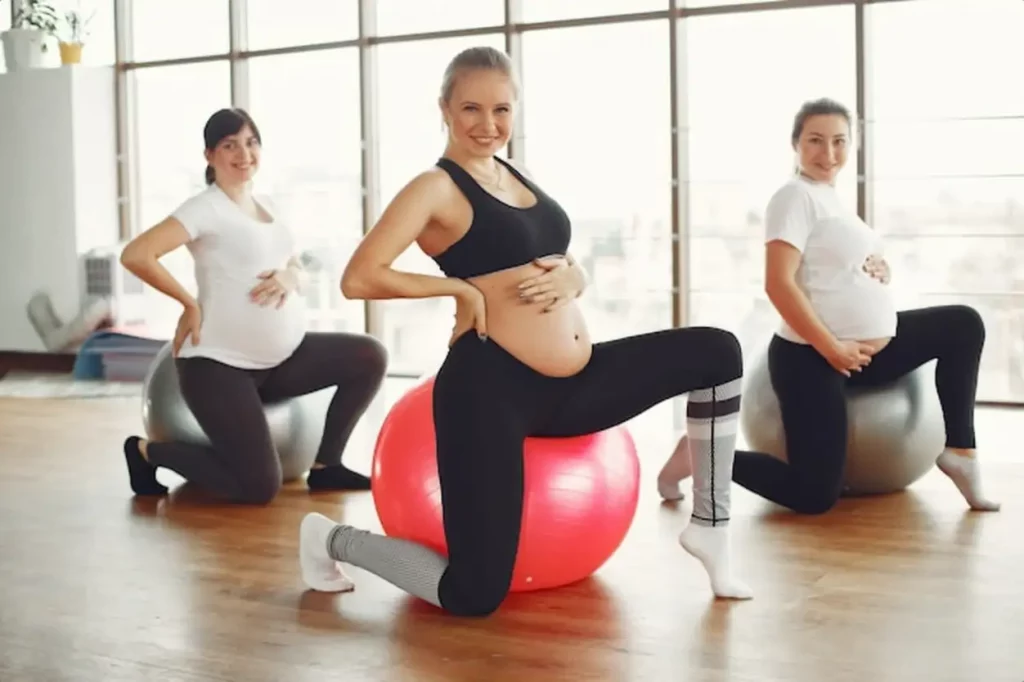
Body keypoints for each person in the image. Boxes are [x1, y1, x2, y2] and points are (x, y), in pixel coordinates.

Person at [298, 46, 755, 617]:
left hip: (572, 384)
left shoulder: (516, 173)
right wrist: (460, 291)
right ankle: (330, 538)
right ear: (443, 108)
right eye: (470, 108)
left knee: (717, 351)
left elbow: (548, 256)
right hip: (489, 390)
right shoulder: (435, 187)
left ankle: (711, 525)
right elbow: (359, 277)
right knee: (474, 593)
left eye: (502, 110)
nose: (488, 125)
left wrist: (576, 274)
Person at [658, 97, 1000, 516]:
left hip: (861, 353)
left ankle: (960, 453)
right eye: (816, 141)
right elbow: (778, 284)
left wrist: (875, 269)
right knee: (814, 495)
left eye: (839, 141)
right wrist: (830, 348)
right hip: (810, 358)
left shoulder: (831, 198)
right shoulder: (793, 197)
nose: (829, 153)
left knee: (962, 325)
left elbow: (830, 266)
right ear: (796, 144)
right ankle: (702, 451)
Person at [119, 107, 387, 504]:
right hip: (218, 368)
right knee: (258, 487)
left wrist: (292, 275)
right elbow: (137, 254)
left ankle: (326, 465)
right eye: (230, 145)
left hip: (279, 361)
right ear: (210, 155)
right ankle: (146, 452)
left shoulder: (267, 206)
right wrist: (188, 303)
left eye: (251, 142)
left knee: (369, 354)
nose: (244, 153)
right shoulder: (204, 207)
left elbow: (292, 259)